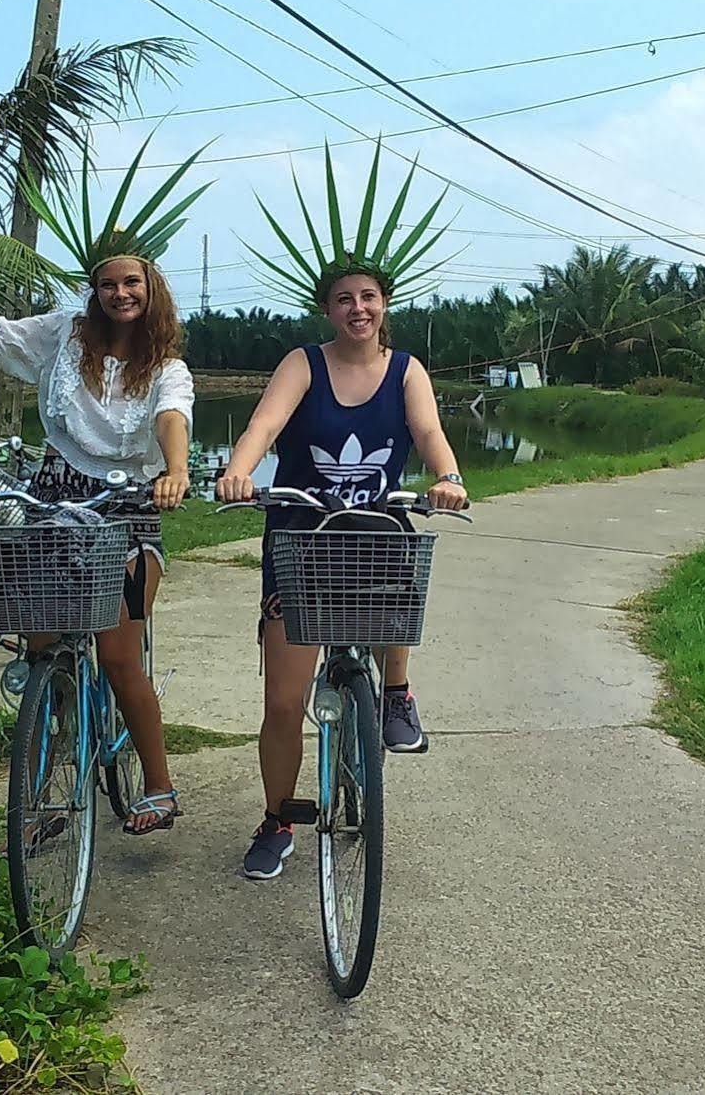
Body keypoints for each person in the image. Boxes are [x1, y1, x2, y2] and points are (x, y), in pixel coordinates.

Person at [0, 148, 207, 835]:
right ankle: (46, 783)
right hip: (54, 500)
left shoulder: (168, 365)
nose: (118, 294)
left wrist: (176, 470)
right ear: (93, 291)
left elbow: (171, 418)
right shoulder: (61, 337)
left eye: (131, 283)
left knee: (118, 654)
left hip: (129, 511)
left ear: (150, 289)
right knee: (44, 648)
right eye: (106, 284)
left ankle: (158, 785)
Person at [215, 147, 467, 879]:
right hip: (299, 536)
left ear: (384, 306)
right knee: (283, 700)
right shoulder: (302, 362)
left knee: (400, 574)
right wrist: (238, 469)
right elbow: (264, 426)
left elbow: (427, 435)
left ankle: (395, 690)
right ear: (327, 310)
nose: (358, 309)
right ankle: (274, 820)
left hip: (374, 531)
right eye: (344, 299)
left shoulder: (407, 369)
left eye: (369, 297)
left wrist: (446, 477)